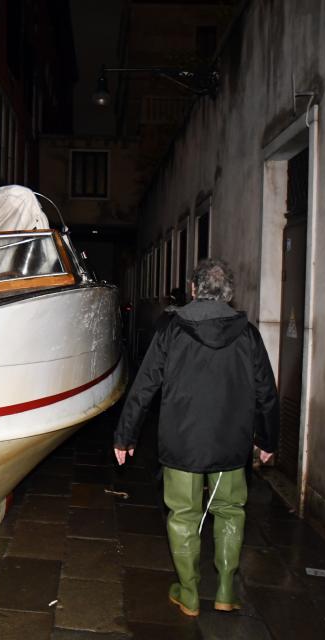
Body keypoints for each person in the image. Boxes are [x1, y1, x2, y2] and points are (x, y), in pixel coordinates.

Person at [113, 258, 278, 616]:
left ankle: (188, 593)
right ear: (229, 295)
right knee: (231, 512)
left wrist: (125, 436)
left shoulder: (171, 329)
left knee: (183, 515)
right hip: (230, 445)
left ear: (192, 289)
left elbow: (144, 385)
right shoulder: (248, 334)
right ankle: (224, 590)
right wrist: (267, 441)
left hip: (182, 443)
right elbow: (267, 391)